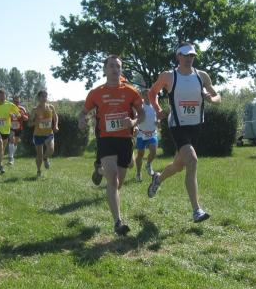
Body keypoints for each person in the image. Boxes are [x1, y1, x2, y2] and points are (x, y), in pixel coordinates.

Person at [147, 42, 220, 222]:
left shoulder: (202, 76)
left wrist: (211, 99)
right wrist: (158, 110)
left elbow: (217, 97)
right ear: (178, 56)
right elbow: (152, 93)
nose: (189, 58)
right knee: (192, 161)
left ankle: (158, 179)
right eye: (186, 55)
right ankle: (197, 210)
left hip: (196, 127)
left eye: (192, 55)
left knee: (178, 166)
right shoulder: (168, 76)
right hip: (178, 126)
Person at [79, 55, 143, 235]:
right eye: (112, 66)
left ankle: (99, 171)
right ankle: (118, 223)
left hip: (125, 140)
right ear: (105, 70)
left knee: (118, 183)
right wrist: (82, 119)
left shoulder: (131, 91)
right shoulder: (96, 93)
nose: (115, 69)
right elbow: (83, 112)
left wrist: (133, 122)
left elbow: (142, 114)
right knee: (113, 179)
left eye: (118, 66)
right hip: (106, 139)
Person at [0, 89, 22, 174]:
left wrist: (13, 115)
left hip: (6, 130)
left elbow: (18, 114)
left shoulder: (10, 105)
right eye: (0, 95)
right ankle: (1, 166)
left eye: (4, 95)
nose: (2, 97)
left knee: (2, 149)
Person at [30, 89, 59, 177]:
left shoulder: (51, 107)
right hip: (38, 135)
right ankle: (39, 171)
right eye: (42, 96)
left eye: (45, 96)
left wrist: (55, 125)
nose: (44, 98)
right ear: (38, 98)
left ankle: (45, 158)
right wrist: (35, 122)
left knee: (51, 149)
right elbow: (29, 123)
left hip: (49, 134)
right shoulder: (35, 110)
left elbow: (55, 116)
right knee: (39, 155)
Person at [134, 92, 159, 182]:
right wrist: (135, 127)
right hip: (141, 134)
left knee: (153, 151)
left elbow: (158, 115)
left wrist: (158, 121)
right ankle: (138, 173)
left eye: (150, 95)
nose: (148, 97)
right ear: (143, 96)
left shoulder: (155, 104)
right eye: (146, 95)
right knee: (140, 154)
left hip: (152, 133)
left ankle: (148, 164)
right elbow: (135, 118)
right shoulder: (140, 106)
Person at [7, 95, 29, 166]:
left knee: (16, 143)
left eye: (18, 101)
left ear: (19, 101)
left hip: (19, 128)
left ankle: (11, 155)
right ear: (13, 101)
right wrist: (9, 116)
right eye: (15, 101)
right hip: (11, 127)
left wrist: (22, 115)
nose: (16, 103)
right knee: (11, 140)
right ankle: (11, 158)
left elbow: (26, 119)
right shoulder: (9, 108)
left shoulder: (22, 108)